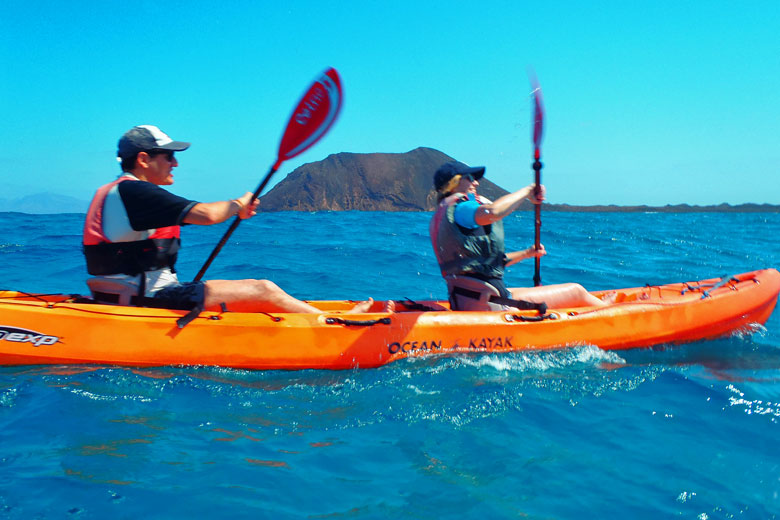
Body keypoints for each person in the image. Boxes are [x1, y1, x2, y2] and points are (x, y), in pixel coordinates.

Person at [82, 124, 374, 314]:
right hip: (147, 304)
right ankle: (334, 324)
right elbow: (208, 214)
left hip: (119, 299)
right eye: (168, 156)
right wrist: (238, 204)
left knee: (252, 296)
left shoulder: (120, 193)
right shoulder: (137, 192)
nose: (176, 163)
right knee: (264, 289)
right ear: (144, 159)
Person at [429, 161, 613, 311]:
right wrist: (528, 191)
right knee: (577, 291)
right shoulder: (462, 209)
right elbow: (494, 211)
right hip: (490, 306)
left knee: (519, 292)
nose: (476, 183)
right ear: (453, 184)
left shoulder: (444, 216)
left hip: (468, 302)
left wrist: (526, 253)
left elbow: (483, 264)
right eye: (469, 178)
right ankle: (610, 310)